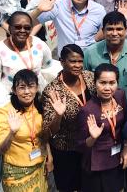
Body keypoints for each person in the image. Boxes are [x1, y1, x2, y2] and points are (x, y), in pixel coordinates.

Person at [41, 44, 96, 191]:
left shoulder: (90, 77)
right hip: (66, 149)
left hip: (89, 144)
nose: (77, 65)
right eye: (73, 61)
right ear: (62, 61)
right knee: (68, 187)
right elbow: (48, 131)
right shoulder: (52, 91)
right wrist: (58, 115)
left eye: (80, 61)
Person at [74, 63, 127, 192]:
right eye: (102, 83)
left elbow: (125, 125)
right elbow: (81, 145)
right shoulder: (87, 110)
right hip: (97, 165)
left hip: (117, 158)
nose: (107, 88)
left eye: (112, 83)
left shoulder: (120, 96)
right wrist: (93, 138)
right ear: (95, 83)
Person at [0, 69, 50, 191]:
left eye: (31, 87)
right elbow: (1, 149)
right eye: (22, 87)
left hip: (39, 167)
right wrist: (12, 132)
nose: (27, 92)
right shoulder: (6, 112)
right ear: (14, 90)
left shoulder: (39, 107)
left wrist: (49, 157)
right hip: (16, 171)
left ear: (37, 88)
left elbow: (43, 136)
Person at [83, 11, 127, 102]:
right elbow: (82, 84)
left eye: (119, 29)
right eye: (110, 29)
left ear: (126, 31)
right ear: (103, 31)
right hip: (98, 112)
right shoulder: (90, 53)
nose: (114, 33)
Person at [0, 11, 53, 107]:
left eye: (27, 28)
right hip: (11, 98)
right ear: (9, 28)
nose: (22, 30)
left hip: (38, 96)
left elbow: (47, 67)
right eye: (18, 27)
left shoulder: (39, 44)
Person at [34, 0, 106, 52]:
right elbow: (30, 21)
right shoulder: (59, 5)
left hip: (89, 60)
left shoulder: (99, 10)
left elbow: (106, 32)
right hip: (65, 61)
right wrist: (38, 10)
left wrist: (95, 39)